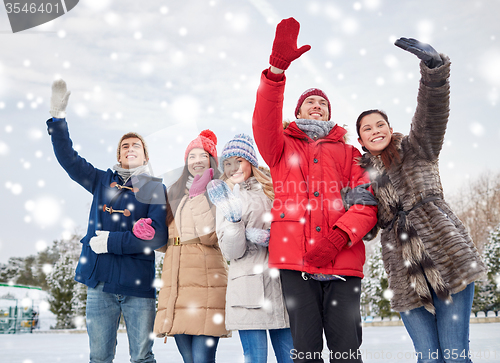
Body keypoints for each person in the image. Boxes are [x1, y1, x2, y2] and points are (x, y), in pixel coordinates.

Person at [252, 18, 378, 363]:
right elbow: (263, 120)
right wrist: (276, 72)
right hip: (296, 262)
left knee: (346, 350)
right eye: (310, 102)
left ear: (330, 113)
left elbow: (366, 203)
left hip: (344, 261)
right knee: (305, 351)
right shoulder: (279, 147)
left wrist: (339, 238)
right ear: (297, 111)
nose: (317, 106)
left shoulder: (350, 153)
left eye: (322, 103)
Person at [355, 38, 487, 362]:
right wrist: (356, 202)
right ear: (360, 139)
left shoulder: (417, 149)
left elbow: (431, 113)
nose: (375, 131)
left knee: (455, 356)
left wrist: (434, 72)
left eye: (380, 124)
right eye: (367, 128)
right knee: (429, 357)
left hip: (447, 258)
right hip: (404, 274)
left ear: (390, 127)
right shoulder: (361, 178)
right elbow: (367, 230)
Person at [46, 79, 168, 363]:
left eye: (136, 145)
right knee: (99, 357)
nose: (130, 149)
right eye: (124, 146)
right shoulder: (101, 180)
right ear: (119, 155)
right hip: (100, 284)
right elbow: (69, 160)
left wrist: (112, 241)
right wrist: (58, 118)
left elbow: (158, 236)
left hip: (138, 286)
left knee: (141, 357)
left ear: (145, 155)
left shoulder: (154, 187)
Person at [207, 134, 294, 363]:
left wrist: (272, 238)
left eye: (239, 160)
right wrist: (235, 222)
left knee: (291, 359)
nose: (234, 167)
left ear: (250, 162)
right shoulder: (225, 198)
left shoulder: (273, 190)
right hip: (248, 290)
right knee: (256, 359)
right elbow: (231, 253)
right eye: (228, 163)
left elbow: (292, 230)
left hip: (282, 286)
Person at [153, 130, 229, 363]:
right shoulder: (174, 191)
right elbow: (168, 241)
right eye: (191, 156)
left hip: (206, 282)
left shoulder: (220, 188)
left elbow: (210, 236)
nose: (196, 160)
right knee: (189, 359)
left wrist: (198, 196)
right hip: (176, 283)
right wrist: (150, 234)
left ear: (211, 161)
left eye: (203, 155)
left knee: (202, 359)